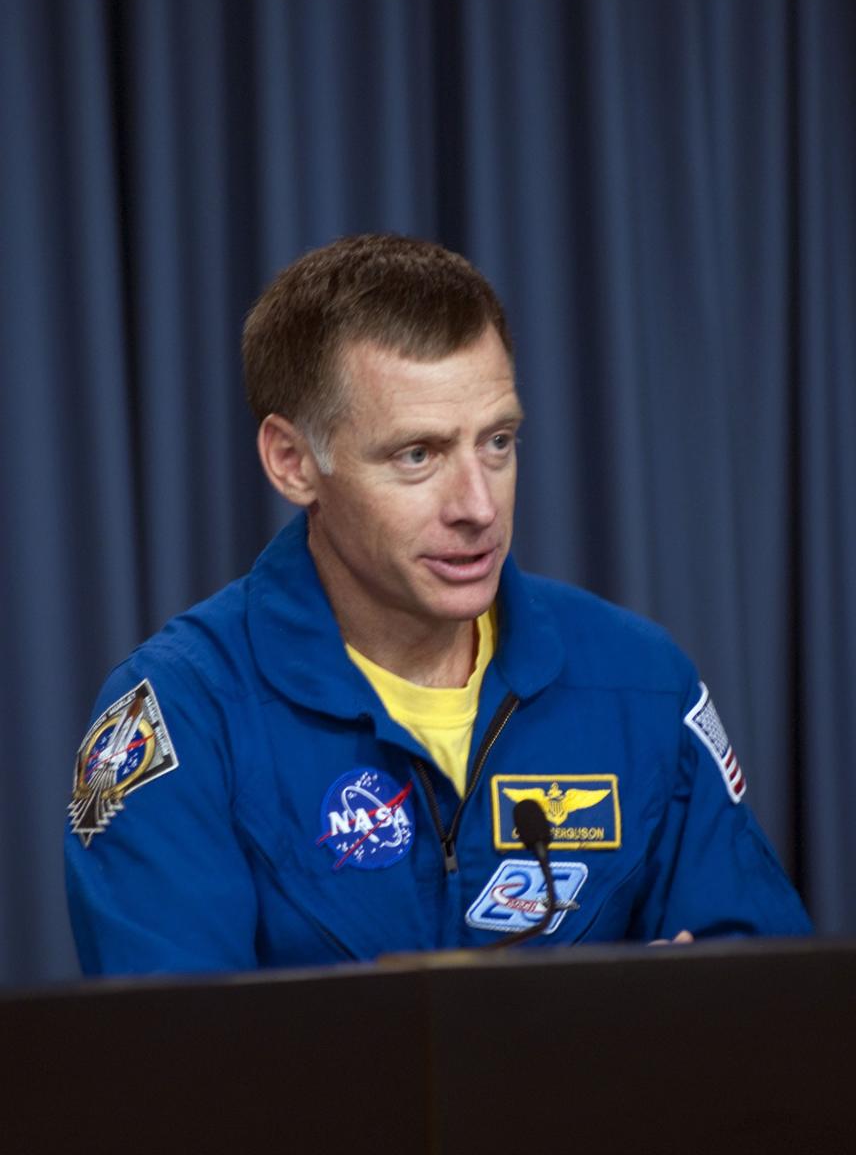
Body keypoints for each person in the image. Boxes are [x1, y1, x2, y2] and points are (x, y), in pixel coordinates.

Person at [65, 233, 811, 974]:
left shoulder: (640, 681)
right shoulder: (180, 716)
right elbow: (179, 1072)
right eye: (416, 455)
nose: (479, 506)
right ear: (293, 463)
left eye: (497, 441)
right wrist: (588, 1041)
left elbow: (765, 1013)